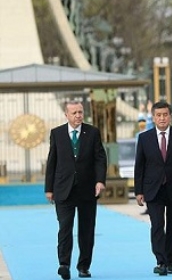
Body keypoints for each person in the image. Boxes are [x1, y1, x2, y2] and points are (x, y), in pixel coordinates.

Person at [45, 100, 107, 280]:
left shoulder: (93, 132)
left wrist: (100, 181)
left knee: (86, 230)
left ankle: (84, 266)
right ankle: (64, 264)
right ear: (66, 115)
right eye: (74, 113)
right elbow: (52, 161)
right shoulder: (56, 134)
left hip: (87, 189)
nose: (78, 116)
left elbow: (100, 158)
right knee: (65, 228)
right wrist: (49, 188)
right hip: (63, 189)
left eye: (80, 112)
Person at [134, 101, 172, 275]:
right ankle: (160, 261)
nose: (162, 118)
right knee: (158, 225)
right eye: (158, 115)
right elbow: (140, 166)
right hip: (153, 189)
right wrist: (139, 191)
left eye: (165, 115)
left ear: (170, 116)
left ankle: (170, 262)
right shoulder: (144, 138)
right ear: (153, 117)